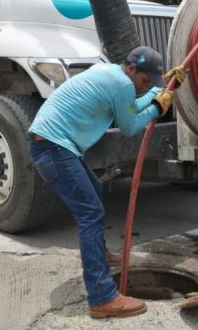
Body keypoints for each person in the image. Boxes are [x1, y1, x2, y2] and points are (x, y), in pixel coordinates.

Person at [28, 46, 182, 318]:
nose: (144, 85)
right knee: (90, 212)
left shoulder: (111, 74)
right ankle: (102, 297)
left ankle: (98, 253)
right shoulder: (122, 84)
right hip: (54, 149)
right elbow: (131, 125)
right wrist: (157, 106)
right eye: (145, 80)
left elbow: (132, 105)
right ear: (132, 68)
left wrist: (161, 90)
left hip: (51, 146)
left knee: (95, 194)